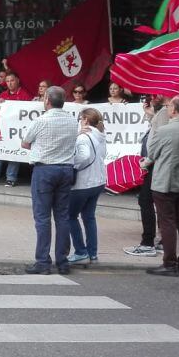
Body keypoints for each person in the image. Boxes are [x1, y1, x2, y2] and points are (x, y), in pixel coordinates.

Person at [21, 85, 77, 275]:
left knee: (42, 217)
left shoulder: (41, 120)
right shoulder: (72, 120)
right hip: (66, 169)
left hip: (45, 169)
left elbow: (25, 142)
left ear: (47, 100)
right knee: (62, 216)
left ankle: (43, 261)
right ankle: (63, 261)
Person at [144, 95, 179, 276]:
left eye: (169, 106)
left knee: (167, 222)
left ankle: (169, 263)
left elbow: (151, 153)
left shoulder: (165, 130)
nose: (167, 108)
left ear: (174, 110)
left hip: (166, 181)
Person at [124, 94, 169, 258]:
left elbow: (158, 141)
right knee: (153, 202)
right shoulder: (160, 114)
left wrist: (148, 161)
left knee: (149, 201)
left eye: (156, 95)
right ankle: (161, 241)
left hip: (156, 166)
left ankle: (148, 243)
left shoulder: (164, 113)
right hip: (155, 166)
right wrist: (151, 116)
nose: (152, 98)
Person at [66, 108, 108, 266]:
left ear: (85, 120)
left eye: (79, 118)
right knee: (89, 217)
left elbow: (83, 156)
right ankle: (93, 253)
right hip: (98, 181)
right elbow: (102, 154)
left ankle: (80, 252)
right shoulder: (100, 135)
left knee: (70, 216)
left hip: (83, 183)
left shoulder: (83, 137)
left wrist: (74, 164)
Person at [0, 73, 30, 186]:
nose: (10, 83)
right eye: (8, 81)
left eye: (12, 81)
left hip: (17, 130)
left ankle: (11, 178)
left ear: (18, 81)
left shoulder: (25, 95)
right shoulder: (3, 94)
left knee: (14, 153)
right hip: (4, 129)